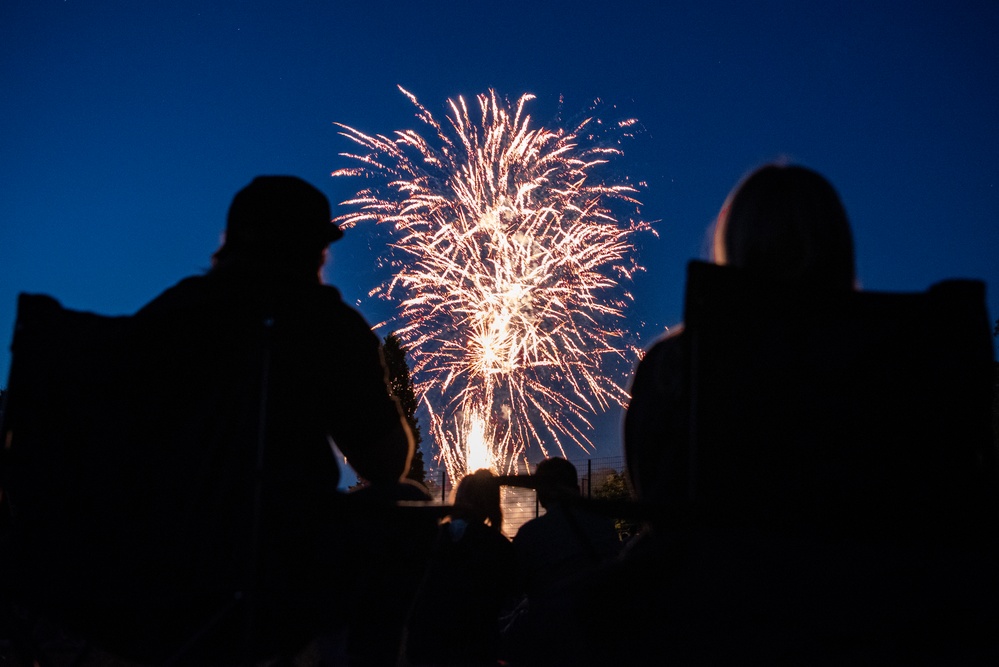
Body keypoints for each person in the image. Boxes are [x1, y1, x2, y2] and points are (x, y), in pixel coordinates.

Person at [49, 175, 424, 664]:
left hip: (153, 565)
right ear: (312, 250)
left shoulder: (173, 313)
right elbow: (385, 463)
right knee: (406, 505)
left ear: (230, 243)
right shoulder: (325, 324)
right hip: (281, 565)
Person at [405, 469, 519, 666]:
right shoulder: (497, 545)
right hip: (474, 647)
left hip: (425, 642)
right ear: (491, 502)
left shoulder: (431, 537)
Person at [512, 458, 620, 598]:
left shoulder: (529, 535)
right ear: (577, 489)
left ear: (542, 494)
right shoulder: (604, 525)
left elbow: (513, 588)